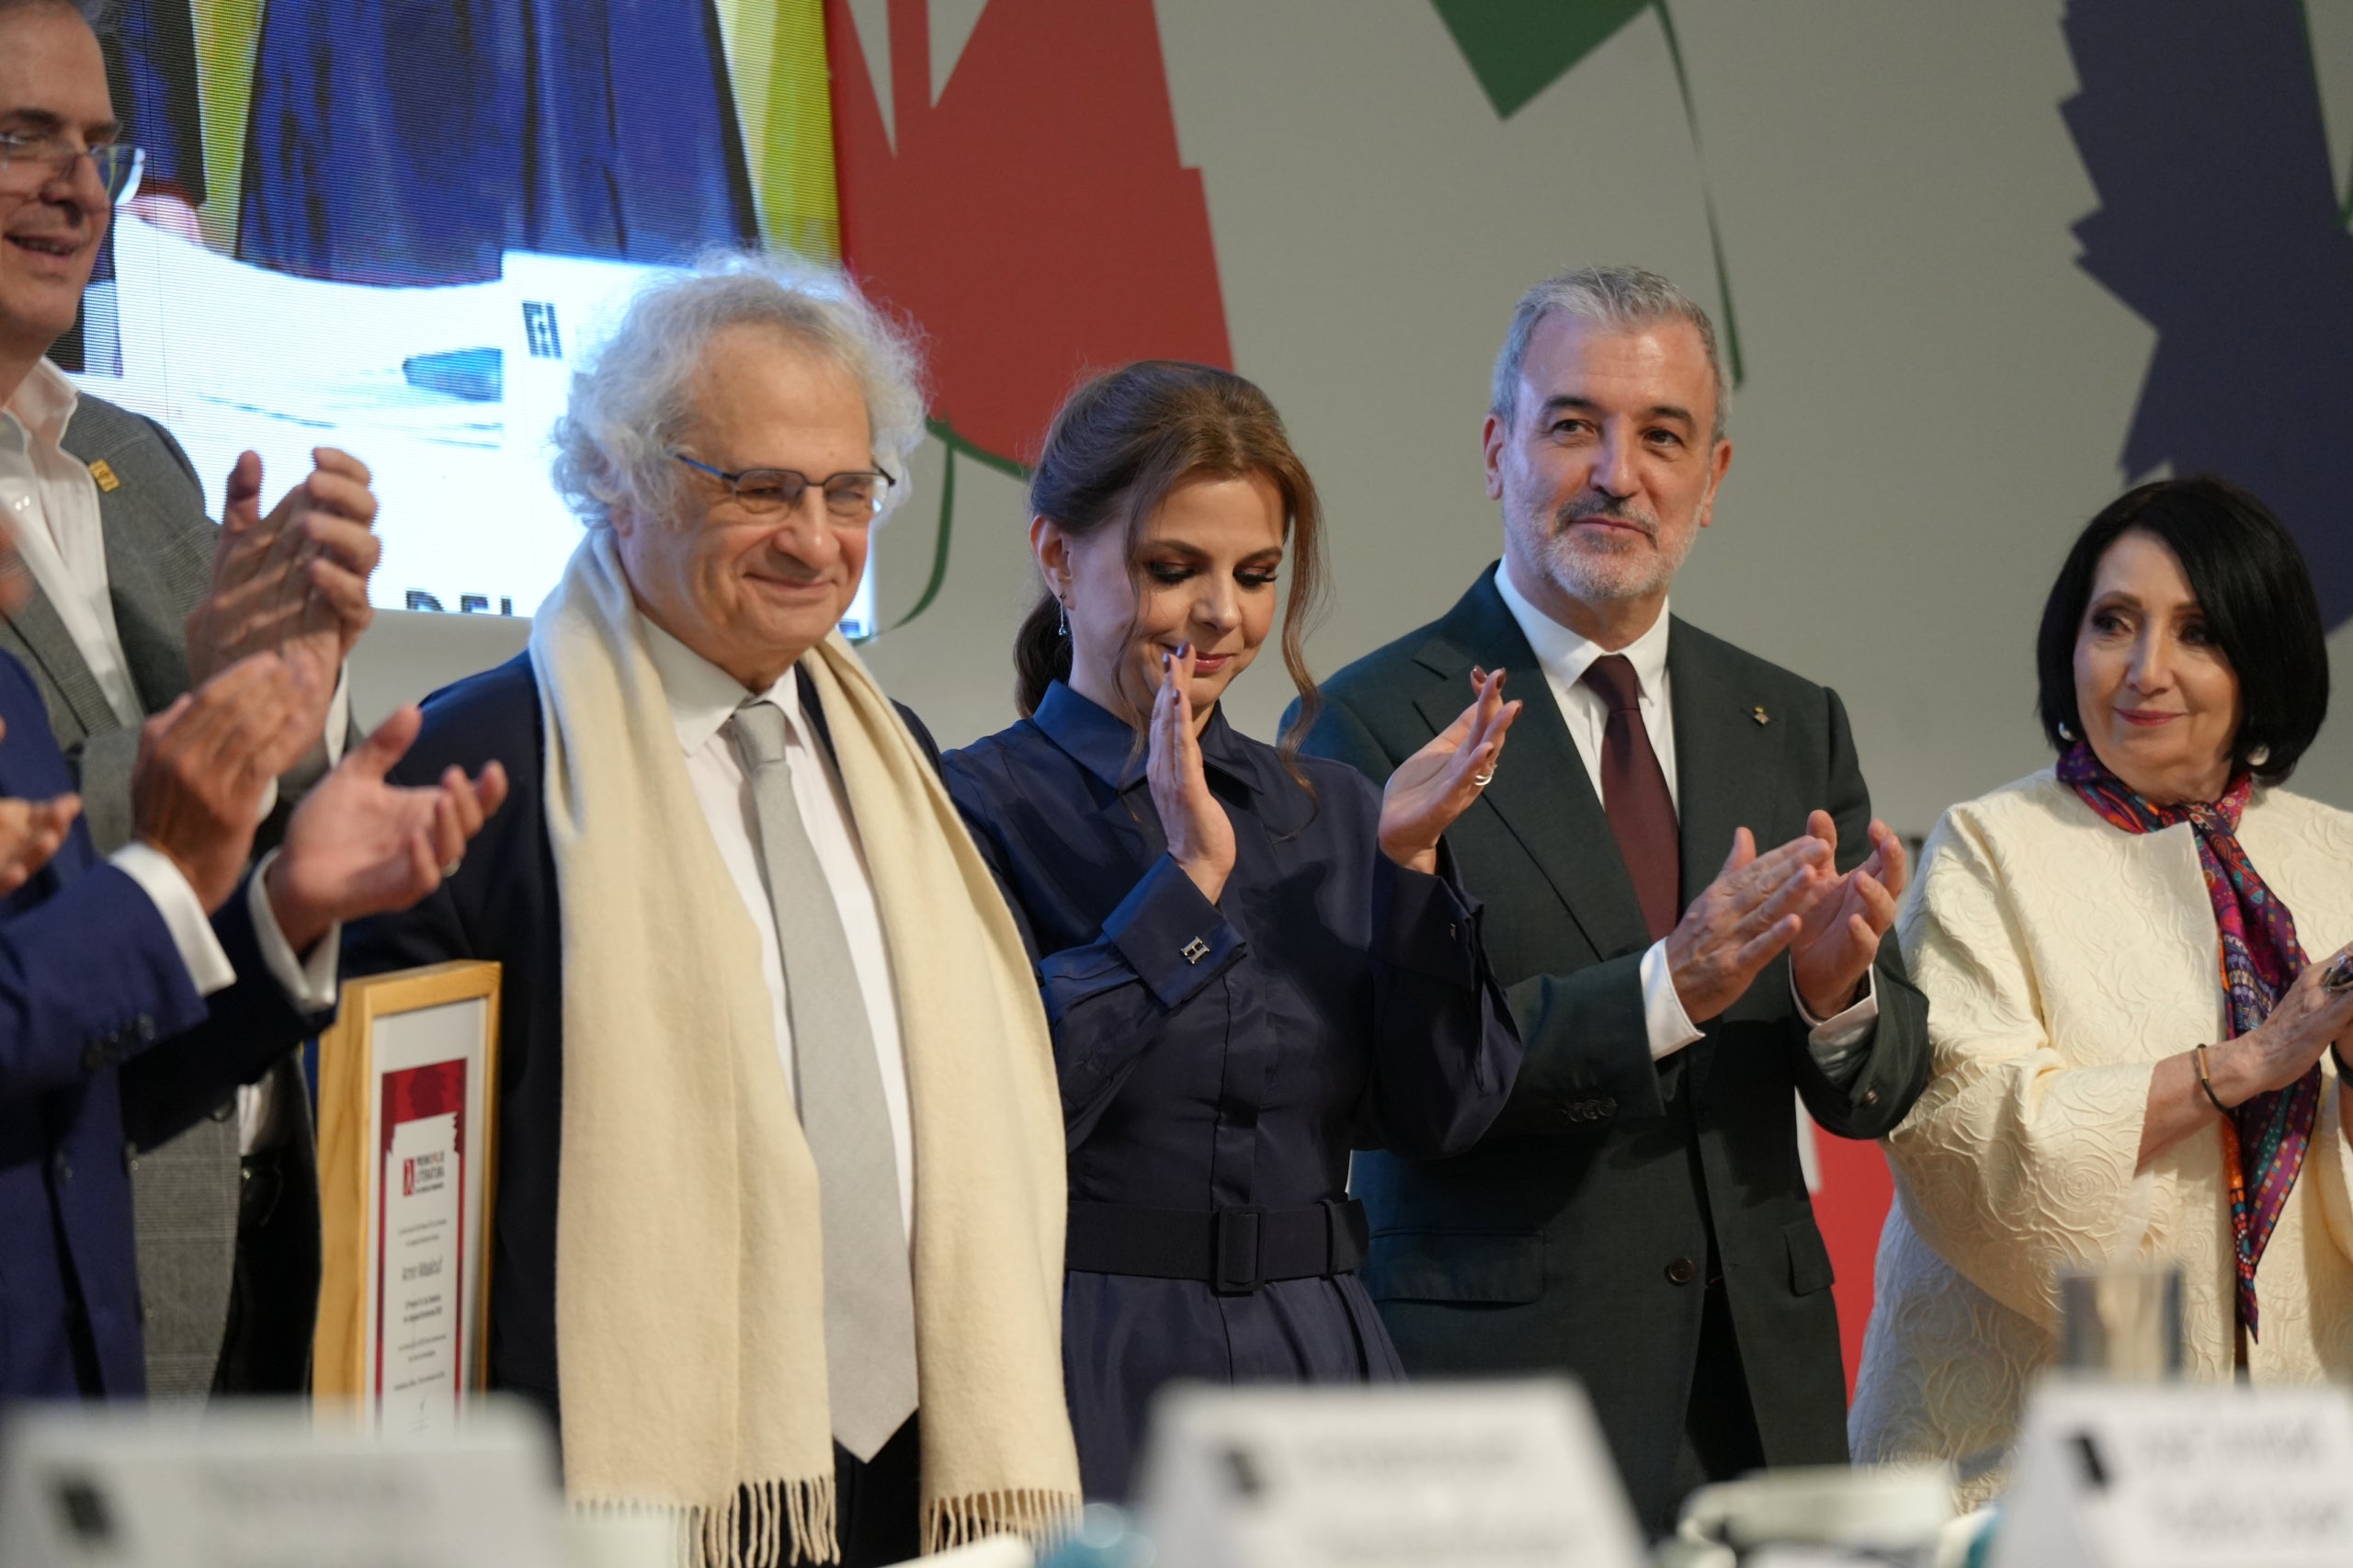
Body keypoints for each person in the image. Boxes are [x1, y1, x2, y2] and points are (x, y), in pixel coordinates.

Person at [343, 253, 1079, 1567]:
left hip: (926, 1482)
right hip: (626, 1498)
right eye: (757, 487)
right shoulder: (473, 771)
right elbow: (408, 1222)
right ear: (615, 479)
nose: (815, 539)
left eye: (848, 489)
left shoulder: (898, 757)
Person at [1298, 266, 1933, 1535]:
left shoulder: (1791, 721)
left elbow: (1882, 1083)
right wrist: (1662, 992)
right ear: (1498, 449)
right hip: (1505, 1406)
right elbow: (1376, 1075)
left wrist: (1834, 996)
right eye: (1573, 423)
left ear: (1716, 476)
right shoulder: (1371, 722)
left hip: (1762, 1403)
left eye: (1662, 436)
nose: (1616, 473)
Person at [940, 360, 1526, 1501]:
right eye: (1174, 569)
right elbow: (989, 1110)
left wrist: (1408, 867)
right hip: (1092, 1359)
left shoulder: (1333, 810)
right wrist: (1186, 885)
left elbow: (1446, 1110)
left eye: (1256, 574)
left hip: (1326, 1360)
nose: (1222, 613)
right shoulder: (968, 808)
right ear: (1057, 556)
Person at [0, 0, 385, 1396]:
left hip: (275, 1244)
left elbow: (238, 830)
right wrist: (191, 748)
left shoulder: (137, 458)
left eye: (102, 145)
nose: (79, 190)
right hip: (59, 1276)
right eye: (19, 139)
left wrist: (292, 709)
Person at [1850, 478, 2353, 1504]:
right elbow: (1964, 1139)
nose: (2144, 669)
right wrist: (2242, 1065)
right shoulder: (1988, 846)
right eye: (2112, 622)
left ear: (2262, 659)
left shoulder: (2337, 853)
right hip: (2021, 1453)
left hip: (2291, 1453)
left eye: (2197, 631)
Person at [0, 601, 509, 1398]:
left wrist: (283, 912)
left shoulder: (9, 689)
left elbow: (80, 1089)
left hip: (77, 1443)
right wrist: (164, 874)